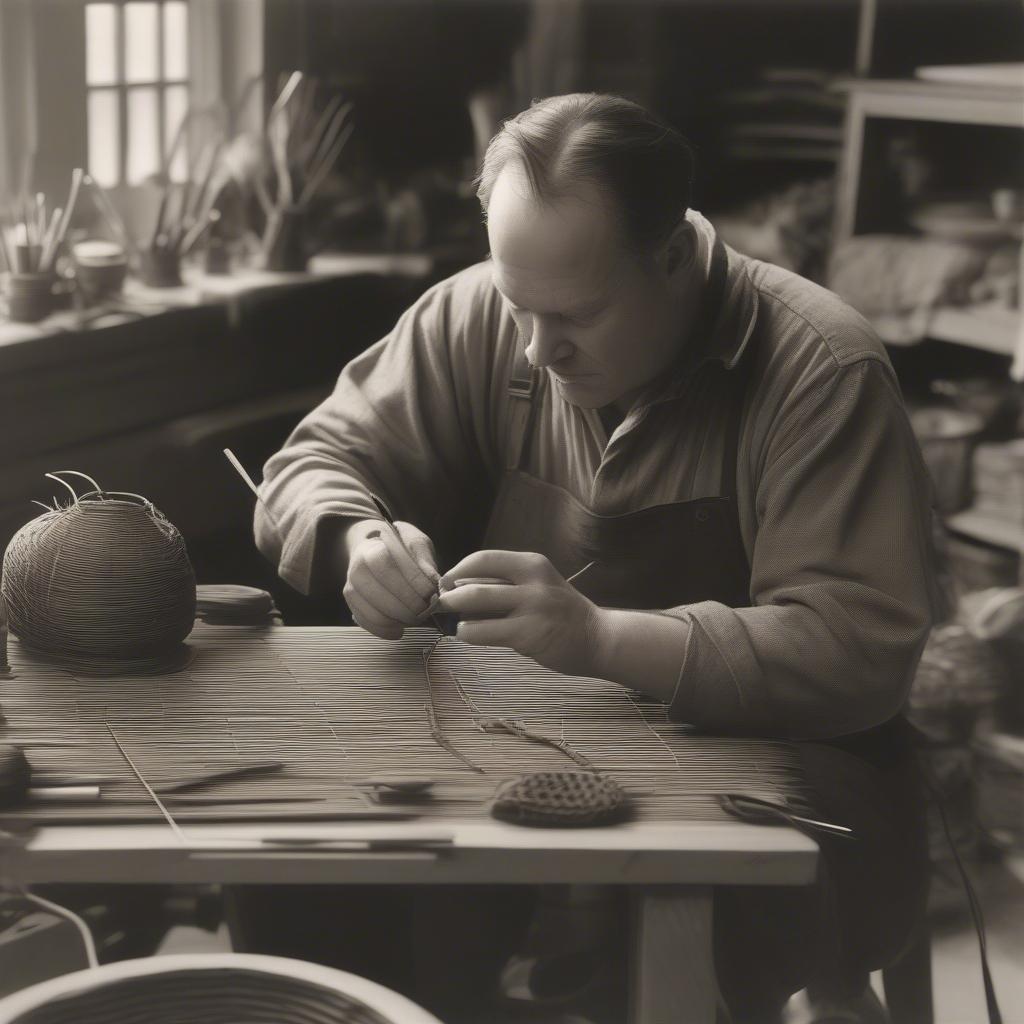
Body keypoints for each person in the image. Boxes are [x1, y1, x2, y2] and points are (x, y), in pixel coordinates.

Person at [252, 93, 940, 1023]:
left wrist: (602, 638)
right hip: (520, 739)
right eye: (517, 306)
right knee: (326, 873)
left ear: (672, 257)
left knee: (655, 921)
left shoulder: (820, 368)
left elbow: (854, 649)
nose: (537, 349)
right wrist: (355, 536)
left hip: (783, 760)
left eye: (576, 314)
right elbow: (311, 462)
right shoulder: (486, 316)